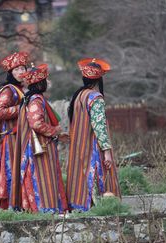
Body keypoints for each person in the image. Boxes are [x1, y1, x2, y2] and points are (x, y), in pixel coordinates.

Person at [11, 63, 68, 213]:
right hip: (39, 146)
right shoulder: (36, 99)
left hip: (38, 143)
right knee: (42, 176)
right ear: (41, 83)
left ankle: (39, 208)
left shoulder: (32, 98)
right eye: (46, 81)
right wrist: (54, 131)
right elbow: (36, 123)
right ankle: (44, 209)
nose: (48, 83)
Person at [66, 57, 121, 211]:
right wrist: (107, 151)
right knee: (98, 176)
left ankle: (80, 207)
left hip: (79, 146)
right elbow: (100, 126)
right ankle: (100, 208)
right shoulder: (95, 98)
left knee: (81, 177)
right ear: (99, 79)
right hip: (92, 147)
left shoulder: (78, 97)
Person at [0, 51, 29, 209]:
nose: (21, 72)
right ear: (11, 73)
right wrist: (21, 108)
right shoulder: (9, 90)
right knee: (10, 171)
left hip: (20, 137)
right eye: (16, 70)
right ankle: (10, 206)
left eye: (23, 69)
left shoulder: (22, 90)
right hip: (10, 138)